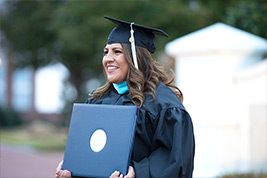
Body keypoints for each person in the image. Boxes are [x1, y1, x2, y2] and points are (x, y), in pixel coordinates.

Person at [55, 16, 195, 178]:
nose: (108, 59)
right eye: (106, 52)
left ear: (137, 58)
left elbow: (175, 160)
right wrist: (71, 167)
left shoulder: (163, 105)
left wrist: (137, 172)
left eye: (117, 52)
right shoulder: (97, 100)